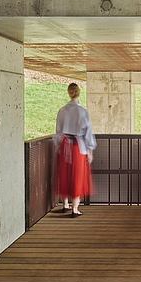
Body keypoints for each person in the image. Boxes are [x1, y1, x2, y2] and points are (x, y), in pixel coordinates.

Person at [54, 82, 96, 217]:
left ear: (69, 92)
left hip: (64, 145)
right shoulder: (82, 111)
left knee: (65, 174)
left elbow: (58, 131)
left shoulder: (62, 110)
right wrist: (90, 150)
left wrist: (58, 146)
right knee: (77, 176)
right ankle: (75, 208)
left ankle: (65, 204)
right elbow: (87, 132)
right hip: (78, 146)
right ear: (79, 93)